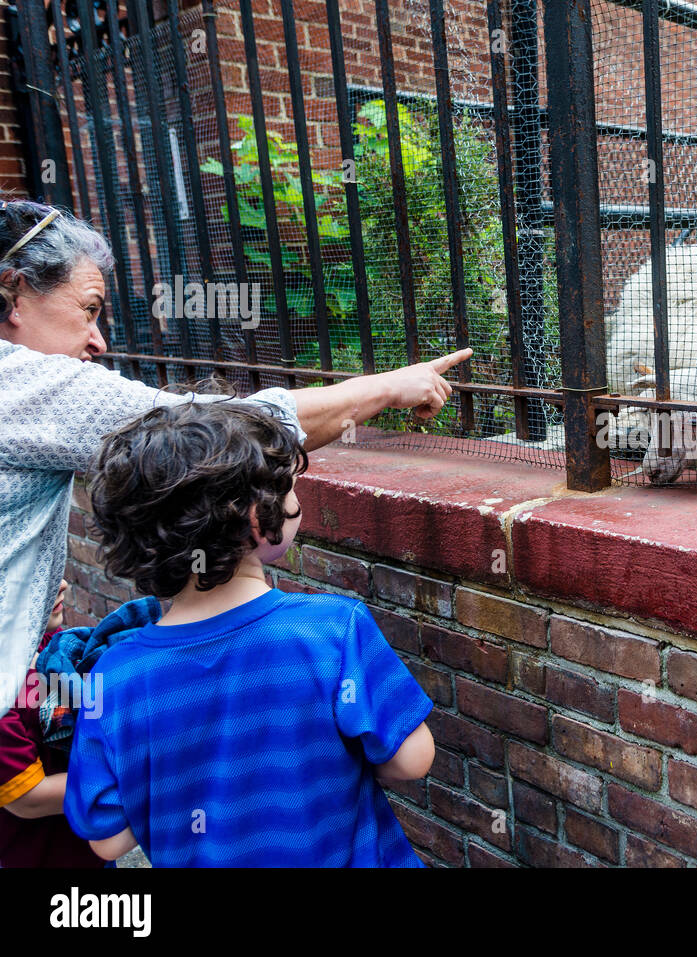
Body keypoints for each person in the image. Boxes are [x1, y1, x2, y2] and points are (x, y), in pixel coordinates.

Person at [0, 196, 471, 715]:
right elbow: (217, 432)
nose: (99, 340)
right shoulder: (21, 382)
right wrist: (389, 387)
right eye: (88, 309)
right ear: (15, 292)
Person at [64, 401, 435, 866]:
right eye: (290, 490)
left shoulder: (112, 677)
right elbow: (412, 759)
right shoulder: (329, 629)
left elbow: (109, 838)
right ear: (258, 519)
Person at [0, 580, 109, 867]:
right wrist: (134, 774)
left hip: (88, 845)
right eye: (35, 574)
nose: (61, 583)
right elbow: (29, 798)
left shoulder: (44, 639)